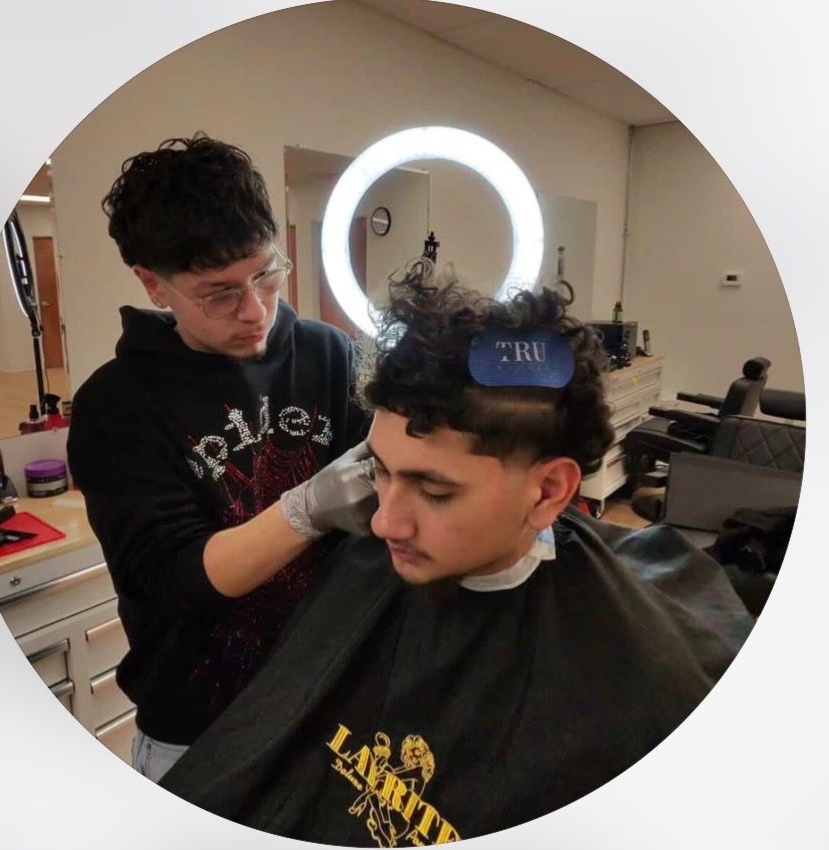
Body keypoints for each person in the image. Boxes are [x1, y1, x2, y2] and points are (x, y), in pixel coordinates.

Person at [160, 265, 755, 846]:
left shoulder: (639, 702)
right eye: (382, 473)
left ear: (549, 491)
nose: (385, 520)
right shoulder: (368, 564)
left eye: (435, 490)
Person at [66, 134, 374, 781]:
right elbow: (178, 580)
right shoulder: (118, 406)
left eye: (267, 273)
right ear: (154, 285)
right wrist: (306, 510)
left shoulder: (326, 352)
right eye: (218, 293)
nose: (254, 309)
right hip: (201, 733)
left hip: (328, 702)